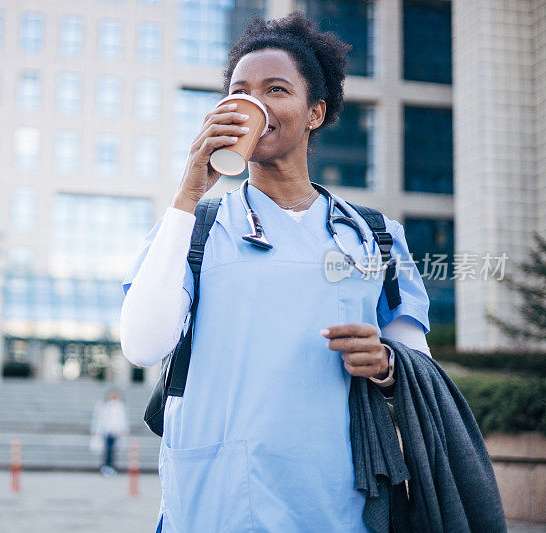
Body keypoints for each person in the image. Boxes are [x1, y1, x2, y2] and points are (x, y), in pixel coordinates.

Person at [119, 12, 432, 533]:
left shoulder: (375, 237)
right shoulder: (193, 228)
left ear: (315, 113)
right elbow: (142, 345)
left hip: (336, 499)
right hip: (215, 500)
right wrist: (188, 192)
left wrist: (384, 362)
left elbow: (417, 373)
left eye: (276, 89)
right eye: (240, 91)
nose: (256, 103)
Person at [90, 388, 129, 477]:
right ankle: (106, 466)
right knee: (108, 450)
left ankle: (110, 466)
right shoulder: (104, 406)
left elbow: (123, 420)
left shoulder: (120, 406)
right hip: (107, 431)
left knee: (112, 450)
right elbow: (99, 419)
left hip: (116, 432)